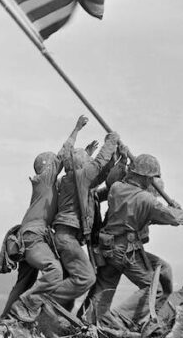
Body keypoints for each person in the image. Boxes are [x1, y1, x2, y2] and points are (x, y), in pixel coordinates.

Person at [82, 154, 183, 329]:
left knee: (105, 287)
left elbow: (142, 214)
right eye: (151, 179)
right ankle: (120, 317)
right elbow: (173, 218)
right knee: (155, 289)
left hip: (107, 247)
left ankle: (89, 321)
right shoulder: (146, 199)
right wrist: (182, 212)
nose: (151, 182)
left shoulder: (116, 188)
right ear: (147, 178)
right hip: (126, 250)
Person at [6, 115, 88, 321]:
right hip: (34, 236)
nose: (57, 166)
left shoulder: (48, 185)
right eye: (53, 164)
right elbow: (63, 155)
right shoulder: (45, 179)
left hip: (30, 236)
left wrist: (87, 155)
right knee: (54, 270)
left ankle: (5, 318)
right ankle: (26, 306)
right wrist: (77, 129)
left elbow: (70, 168)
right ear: (47, 166)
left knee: (24, 282)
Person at [48, 130, 121, 309]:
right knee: (86, 277)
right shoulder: (79, 177)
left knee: (70, 282)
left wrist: (116, 159)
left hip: (65, 237)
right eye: (87, 162)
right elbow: (98, 164)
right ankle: (41, 300)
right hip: (67, 237)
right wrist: (111, 141)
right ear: (82, 166)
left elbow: (100, 175)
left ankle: (52, 313)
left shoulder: (72, 180)